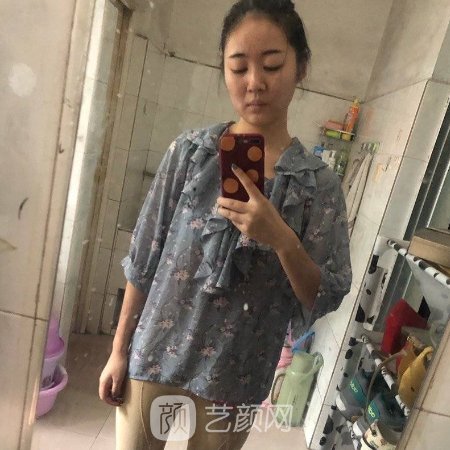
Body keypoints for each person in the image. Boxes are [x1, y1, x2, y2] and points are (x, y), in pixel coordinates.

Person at [99, 0, 352, 449]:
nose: (255, 82)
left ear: (301, 67)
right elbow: (144, 257)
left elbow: (324, 293)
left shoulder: (318, 187)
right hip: (156, 353)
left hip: (238, 374)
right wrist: (119, 351)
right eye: (238, 67)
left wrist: (282, 239)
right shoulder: (190, 153)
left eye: (272, 65)